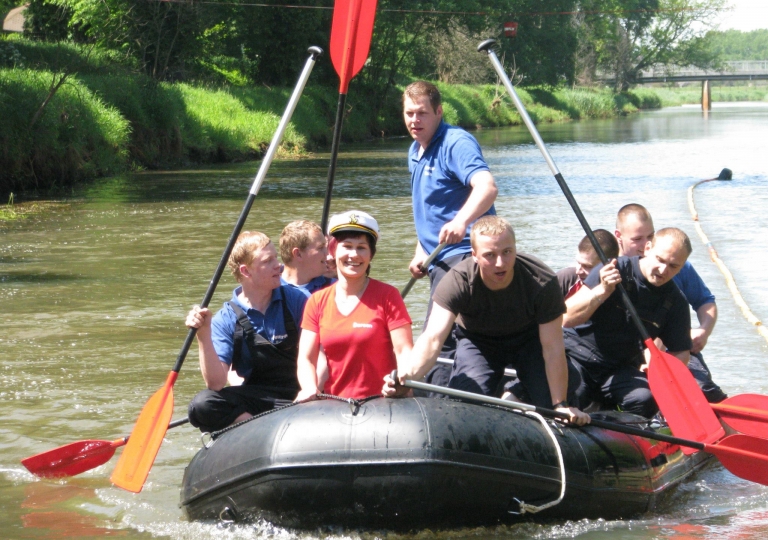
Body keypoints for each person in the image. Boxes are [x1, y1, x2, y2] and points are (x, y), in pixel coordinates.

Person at [387, 216, 590, 425]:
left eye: (507, 252)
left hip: (530, 342)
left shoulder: (542, 280)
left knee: (550, 406)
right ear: (474, 255)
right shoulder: (457, 281)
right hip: (478, 342)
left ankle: (522, 392)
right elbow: (432, 339)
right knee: (466, 406)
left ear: (515, 248)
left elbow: (553, 348)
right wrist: (406, 379)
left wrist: (559, 405)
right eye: (490, 255)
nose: (500, 263)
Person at [403, 81, 499, 386]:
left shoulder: (456, 143)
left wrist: (461, 221)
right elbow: (431, 208)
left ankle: (438, 403)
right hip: (437, 259)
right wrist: (421, 252)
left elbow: (487, 188)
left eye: (422, 113)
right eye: (409, 114)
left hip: (465, 255)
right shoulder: (415, 150)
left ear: (439, 112)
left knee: (439, 336)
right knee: (450, 334)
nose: (414, 121)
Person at [563, 228, 694, 418]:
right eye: (660, 259)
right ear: (647, 248)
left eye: (673, 266)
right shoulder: (614, 268)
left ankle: (610, 429)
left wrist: (661, 373)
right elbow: (566, 317)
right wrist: (602, 291)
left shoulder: (676, 302)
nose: (663, 270)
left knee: (645, 399)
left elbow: (680, 352)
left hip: (616, 368)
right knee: (575, 393)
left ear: (682, 267)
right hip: (576, 355)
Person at [185, 231, 308, 433]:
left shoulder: (297, 300)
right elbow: (215, 383)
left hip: (301, 392)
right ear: (246, 271)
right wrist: (203, 335)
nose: (279, 265)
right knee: (203, 404)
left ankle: (259, 428)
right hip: (259, 398)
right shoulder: (226, 318)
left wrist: (310, 392)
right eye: (268, 261)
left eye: (276, 257)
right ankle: (257, 428)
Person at [295, 210, 413, 400]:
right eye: (347, 246)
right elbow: (307, 358)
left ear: (371, 254)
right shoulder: (317, 301)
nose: (354, 255)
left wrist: (401, 382)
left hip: (383, 403)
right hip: (335, 404)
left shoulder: (388, 296)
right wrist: (309, 388)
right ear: (333, 251)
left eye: (361, 247)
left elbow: (404, 350)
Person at [615, 204, 725, 402]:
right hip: (631, 355)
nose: (644, 244)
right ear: (619, 237)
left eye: (650, 237)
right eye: (637, 239)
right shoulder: (613, 271)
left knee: (704, 388)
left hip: (675, 348)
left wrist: (704, 331)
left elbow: (705, 301)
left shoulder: (678, 266)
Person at [557, 229, 619, 300]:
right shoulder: (565, 280)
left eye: (587, 266)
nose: (578, 271)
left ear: (610, 266)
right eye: (578, 263)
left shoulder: (624, 291)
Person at [279, 219, 333, 297]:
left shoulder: (334, 288)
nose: (327, 253)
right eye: (320, 248)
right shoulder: (269, 289)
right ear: (298, 254)